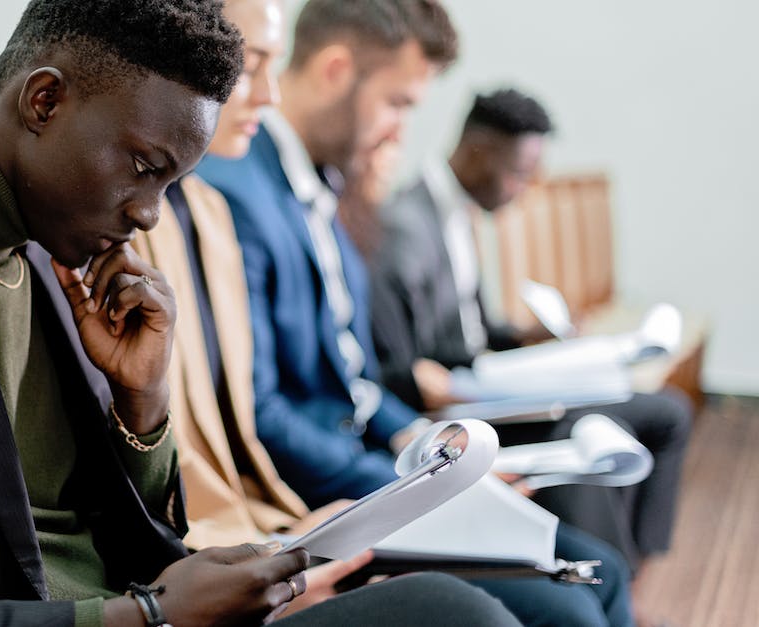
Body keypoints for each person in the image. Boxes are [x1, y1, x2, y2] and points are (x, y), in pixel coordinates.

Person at [0, 0, 521, 625]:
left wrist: (144, 408)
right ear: (44, 100)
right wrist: (147, 616)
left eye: (170, 184)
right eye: (143, 167)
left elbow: (111, 528)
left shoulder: (45, 244)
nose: (149, 216)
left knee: (472, 600)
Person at [196, 1, 634, 625]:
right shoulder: (238, 191)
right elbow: (260, 411)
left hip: (372, 471)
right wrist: (406, 487)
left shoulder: (319, 186)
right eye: (398, 103)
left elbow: (359, 380)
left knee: (602, 571)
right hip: (326, 495)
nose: (401, 130)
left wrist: (426, 446)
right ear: (336, 70)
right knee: (574, 609)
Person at [375, 88, 692, 579]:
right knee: (587, 432)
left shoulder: (456, 212)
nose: (524, 188)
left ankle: (633, 574)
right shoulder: (406, 226)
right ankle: (611, 583)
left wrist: (526, 337)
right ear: (478, 151)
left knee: (665, 412)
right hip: (461, 409)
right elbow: (410, 362)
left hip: (496, 384)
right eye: (519, 173)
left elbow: (468, 326)